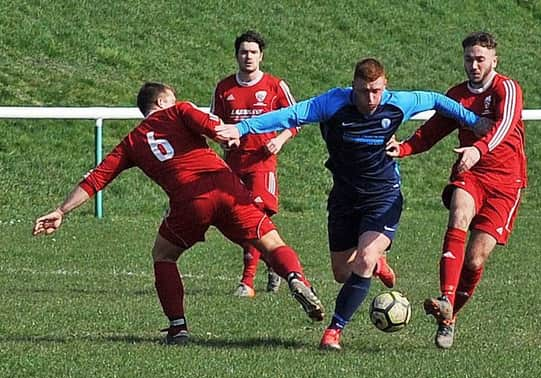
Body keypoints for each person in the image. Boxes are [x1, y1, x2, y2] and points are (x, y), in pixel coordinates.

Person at [216, 58, 489, 350]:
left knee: (365, 257)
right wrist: (242, 128)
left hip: (383, 195)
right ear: (353, 87)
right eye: (364, 91)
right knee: (342, 273)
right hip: (344, 197)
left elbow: (437, 100)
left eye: (377, 91)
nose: (371, 98)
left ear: (385, 86)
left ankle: (334, 330)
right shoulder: (333, 103)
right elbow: (290, 115)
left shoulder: (397, 103)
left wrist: (474, 121)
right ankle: (377, 263)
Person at [32, 82, 325, 345]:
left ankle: (178, 327)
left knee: (163, 255)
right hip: (225, 185)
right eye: (173, 98)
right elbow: (211, 124)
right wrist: (226, 137)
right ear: (161, 102)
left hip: (189, 201)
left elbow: (96, 179)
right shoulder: (180, 111)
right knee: (271, 243)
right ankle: (296, 278)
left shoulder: (131, 143)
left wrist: (61, 211)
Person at [387, 32, 526, 349]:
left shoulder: (507, 88)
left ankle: (448, 317)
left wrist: (479, 147)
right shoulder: (457, 95)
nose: (474, 65)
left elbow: (504, 125)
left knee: (475, 260)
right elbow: (431, 132)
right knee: (459, 214)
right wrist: (404, 148)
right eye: (469, 59)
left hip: (506, 183)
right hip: (471, 174)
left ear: (494, 60)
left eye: (480, 59)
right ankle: (445, 297)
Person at [211, 30, 298, 298]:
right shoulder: (224, 88)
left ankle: (247, 283)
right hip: (234, 165)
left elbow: (296, 119)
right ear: (237, 55)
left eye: (253, 52)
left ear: (261, 56)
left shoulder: (275, 86)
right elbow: (216, 124)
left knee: (257, 217)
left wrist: (280, 140)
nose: (248, 56)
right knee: (237, 222)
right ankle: (273, 260)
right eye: (243, 52)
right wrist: (225, 141)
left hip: (262, 164)